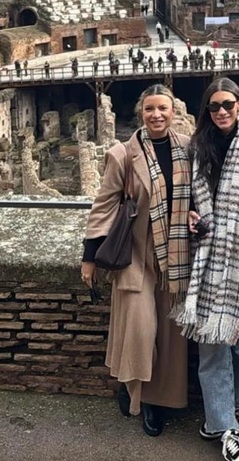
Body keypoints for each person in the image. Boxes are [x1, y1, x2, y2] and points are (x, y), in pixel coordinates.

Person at [175, 78, 239, 461]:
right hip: (208, 259)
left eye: (228, 105)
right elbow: (185, 201)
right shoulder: (196, 148)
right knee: (213, 344)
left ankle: (237, 408)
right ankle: (226, 425)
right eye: (214, 106)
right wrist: (191, 217)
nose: (221, 112)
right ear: (206, 110)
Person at [81, 85, 192, 437]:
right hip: (134, 256)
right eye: (149, 109)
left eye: (163, 108)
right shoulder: (123, 154)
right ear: (140, 113)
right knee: (140, 333)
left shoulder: (189, 149)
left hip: (175, 257)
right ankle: (136, 395)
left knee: (172, 339)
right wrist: (89, 258)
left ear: (174, 111)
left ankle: (158, 402)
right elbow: (104, 205)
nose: (156, 115)